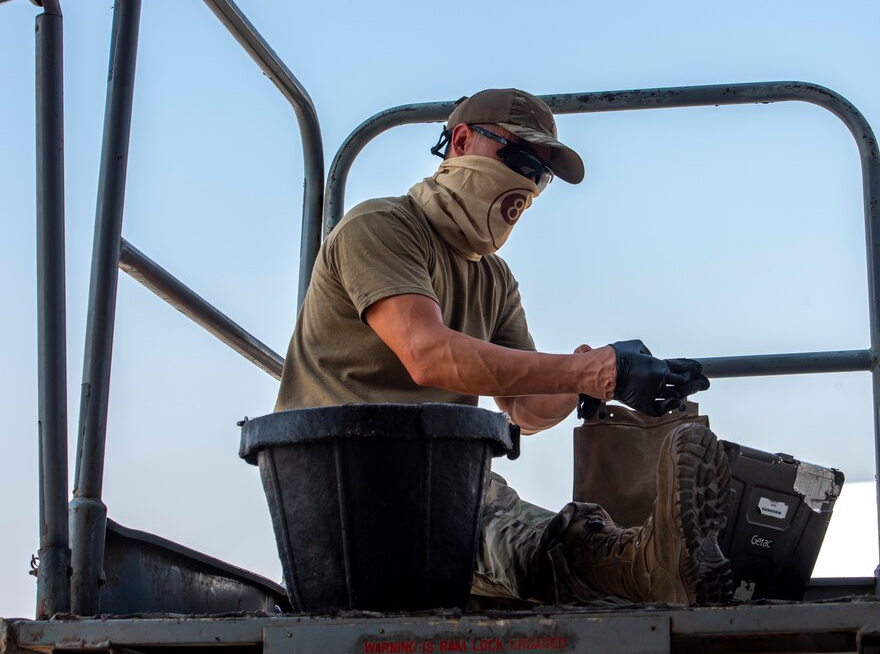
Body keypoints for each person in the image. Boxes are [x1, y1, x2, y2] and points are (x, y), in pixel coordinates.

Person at [275, 88, 734, 606]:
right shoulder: (380, 227)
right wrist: (585, 372)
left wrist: (592, 375)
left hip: (437, 477)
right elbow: (427, 354)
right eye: (517, 158)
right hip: (340, 481)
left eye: (540, 175)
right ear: (461, 142)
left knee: (513, 539)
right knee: (492, 528)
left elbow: (522, 410)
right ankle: (645, 566)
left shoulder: (494, 279)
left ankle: (651, 563)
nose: (527, 184)